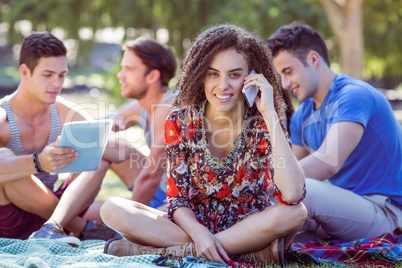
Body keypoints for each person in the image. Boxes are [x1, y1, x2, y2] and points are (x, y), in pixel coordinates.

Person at [100, 24, 307, 265]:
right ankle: (242, 253)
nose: (222, 85)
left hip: (250, 227)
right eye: (213, 73)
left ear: (251, 76)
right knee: (112, 208)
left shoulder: (264, 121)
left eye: (234, 74)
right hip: (192, 226)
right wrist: (200, 235)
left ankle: (180, 251)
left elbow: (292, 195)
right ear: (200, 75)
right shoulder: (180, 120)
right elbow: (178, 201)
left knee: (295, 212)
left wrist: (270, 112)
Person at [29, 37, 178, 245]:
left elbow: (150, 178)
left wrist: (127, 220)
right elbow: (94, 129)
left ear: (152, 75)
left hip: (174, 201)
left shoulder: (168, 107)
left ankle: (55, 223)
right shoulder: (143, 107)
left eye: (128, 69)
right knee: (80, 207)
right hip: (157, 194)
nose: (120, 75)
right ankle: (54, 224)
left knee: (90, 213)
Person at [267, 22, 402, 242]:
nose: (284, 83)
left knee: (303, 189)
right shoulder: (302, 116)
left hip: (388, 214)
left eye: (288, 72)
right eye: (280, 75)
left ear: (313, 59)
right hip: (348, 212)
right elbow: (288, 166)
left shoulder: (353, 95)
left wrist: (263, 186)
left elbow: (328, 161)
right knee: (283, 215)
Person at [0, 32, 124, 243]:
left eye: (62, 75)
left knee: (100, 158)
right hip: (13, 221)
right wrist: (39, 162)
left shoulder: (67, 112)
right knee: (5, 162)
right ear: (24, 71)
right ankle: (78, 227)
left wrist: (97, 135)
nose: (57, 83)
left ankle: (54, 226)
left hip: (58, 210)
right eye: (47, 75)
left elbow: (122, 153)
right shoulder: (3, 117)